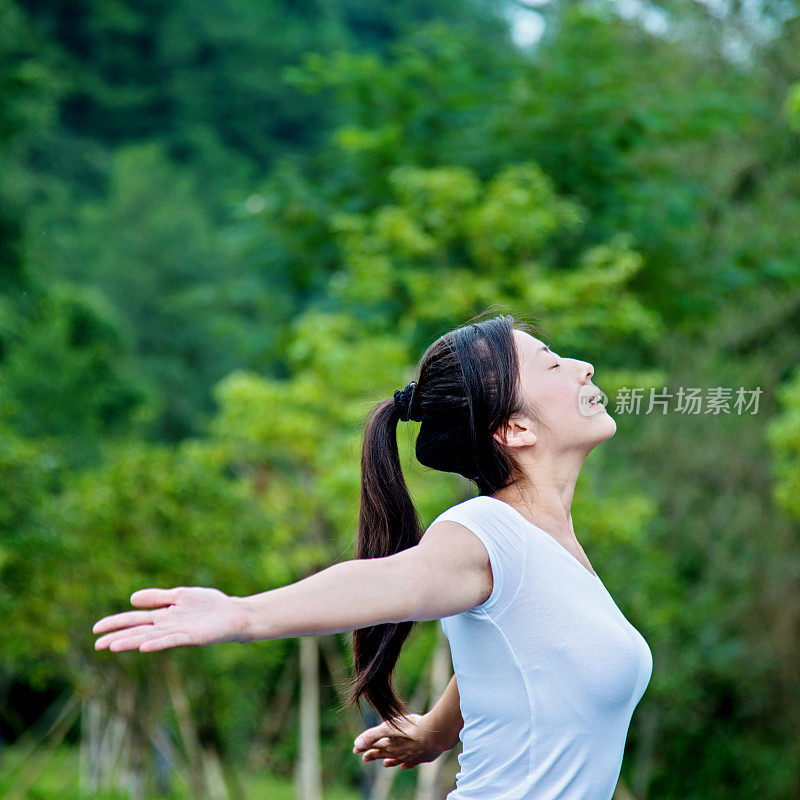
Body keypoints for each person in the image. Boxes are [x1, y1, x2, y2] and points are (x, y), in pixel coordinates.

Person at [92, 313, 652, 800]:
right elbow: (399, 580)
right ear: (514, 428)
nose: (585, 368)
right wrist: (244, 615)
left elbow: (531, 650)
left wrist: (437, 728)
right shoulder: (486, 531)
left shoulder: (547, 545)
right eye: (553, 366)